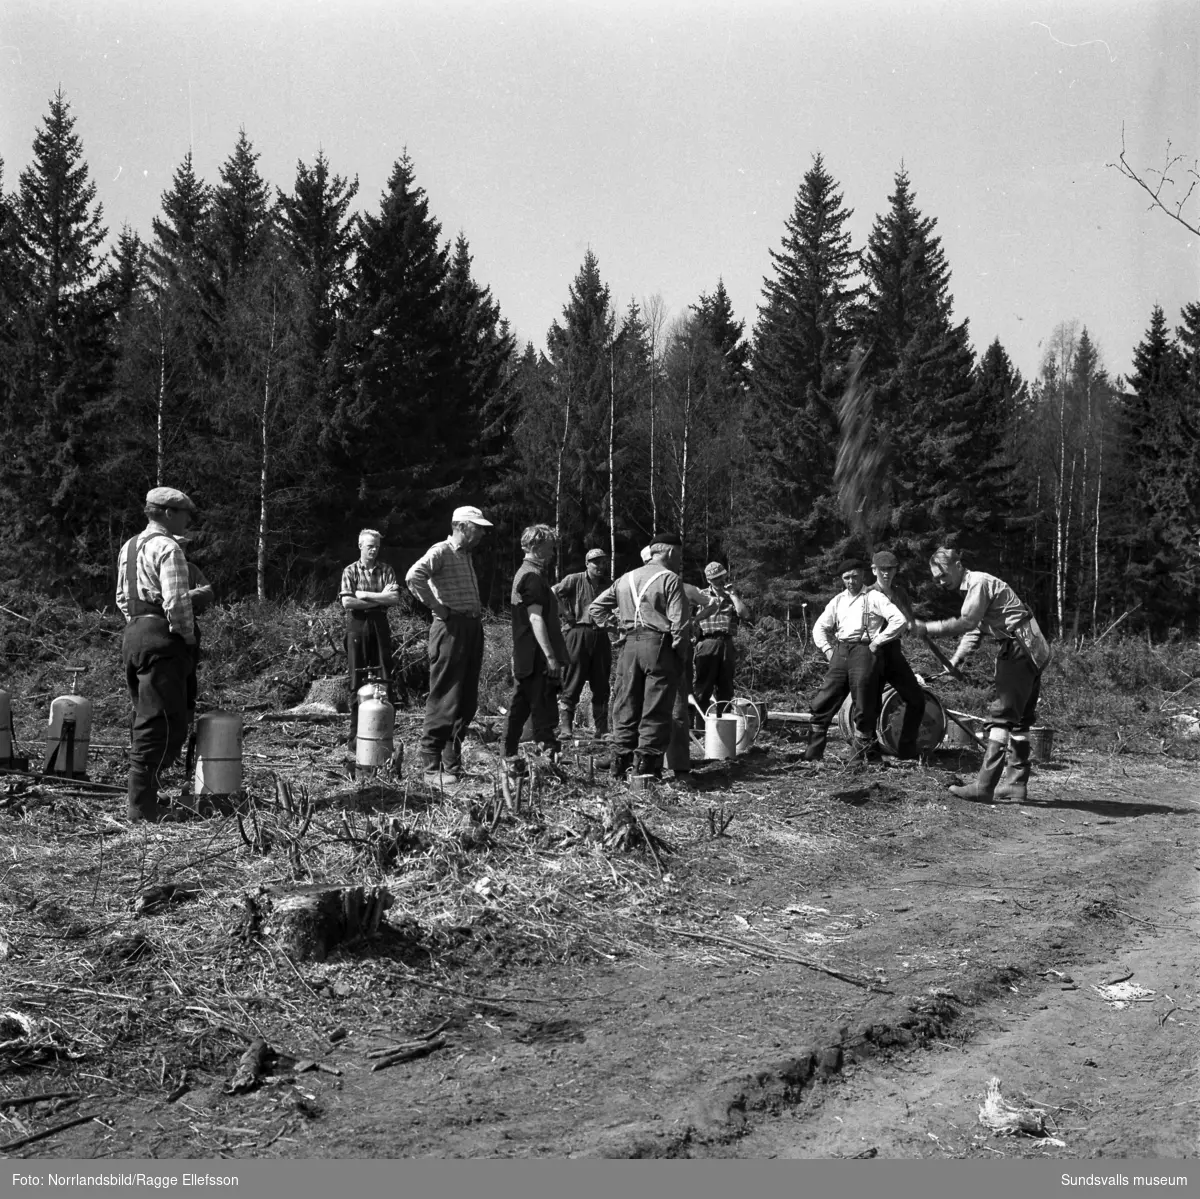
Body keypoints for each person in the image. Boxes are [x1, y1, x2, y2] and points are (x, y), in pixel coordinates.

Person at [914, 547, 1051, 801]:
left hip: (1018, 647)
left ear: (957, 564)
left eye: (943, 575)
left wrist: (928, 627)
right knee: (1020, 720)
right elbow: (974, 630)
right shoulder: (978, 588)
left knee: (1000, 717)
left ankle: (984, 786)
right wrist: (955, 661)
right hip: (1034, 648)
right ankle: (1015, 784)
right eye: (936, 579)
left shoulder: (978, 583)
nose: (941, 582)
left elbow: (966, 621)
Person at [116, 486, 198, 823]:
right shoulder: (168, 547)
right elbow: (177, 602)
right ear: (166, 513)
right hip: (161, 638)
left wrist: (139, 627)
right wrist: (187, 638)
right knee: (164, 721)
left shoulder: (129, 547)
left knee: (144, 716)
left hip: (134, 634)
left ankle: (144, 798)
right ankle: (142, 807)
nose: (188, 519)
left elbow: (122, 598)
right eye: (184, 513)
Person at [406, 505, 492, 788]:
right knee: (445, 693)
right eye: (477, 527)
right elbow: (413, 576)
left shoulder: (465, 555)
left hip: (469, 627)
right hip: (450, 628)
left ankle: (452, 762)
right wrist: (439, 609)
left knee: (466, 698)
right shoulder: (441, 550)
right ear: (461, 526)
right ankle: (431, 767)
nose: (481, 533)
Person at [589, 534, 687, 781]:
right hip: (658, 646)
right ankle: (646, 767)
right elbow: (680, 625)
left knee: (626, 703)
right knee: (656, 706)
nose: (680, 560)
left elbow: (595, 608)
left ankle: (619, 762)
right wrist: (680, 655)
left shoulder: (625, 578)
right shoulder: (670, 579)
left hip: (629, 646)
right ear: (671, 553)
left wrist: (616, 627)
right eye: (679, 555)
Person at [806, 559, 907, 763]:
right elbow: (820, 627)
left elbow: (899, 620)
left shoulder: (874, 597)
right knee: (824, 700)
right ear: (842, 580)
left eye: (854, 576)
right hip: (841, 651)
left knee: (864, 703)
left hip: (865, 651)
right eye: (846, 578)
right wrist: (827, 649)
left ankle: (858, 759)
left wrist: (878, 641)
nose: (850, 581)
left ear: (862, 575)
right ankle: (812, 755)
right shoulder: (838, 600)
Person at [504, 525, 570, 777]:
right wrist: (550, 657)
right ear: (537, 546)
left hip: (527, 655)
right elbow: (535, 619)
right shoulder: (531, 577)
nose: (553, 552)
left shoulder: (529, 574)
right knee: (543, 712)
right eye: (550, 547)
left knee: (520, 708)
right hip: (535, 657)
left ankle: (509, 757)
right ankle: (549, 765)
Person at [340, 529, 401, 750]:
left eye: (376, 546)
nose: (374, 550)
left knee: (384, 676)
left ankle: (384, 734)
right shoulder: (350, 571)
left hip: (380, 624)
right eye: (369, 546)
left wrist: (364, 595)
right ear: (360, 546)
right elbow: (347, 603)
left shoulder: (386, 570)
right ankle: (355, 736)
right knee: (357, 679)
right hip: (357, 625)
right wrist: (379, 599)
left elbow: (394, 598)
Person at [868, 549, 927, 759]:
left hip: (893, 652)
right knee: (870, 704)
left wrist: (916, 626)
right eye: (882, 569)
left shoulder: (900, 593)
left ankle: (906, 748)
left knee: (916, 699)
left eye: (890, 569)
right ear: (874, 570)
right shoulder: (867, 594)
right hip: (872, 653)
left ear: (895, 570)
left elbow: (907, 621)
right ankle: (869, 751)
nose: (886, 574)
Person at [552, 547, 612, 740]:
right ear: (587, 564)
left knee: (601, 683)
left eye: (603, 562)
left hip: (601, 634)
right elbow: (552, 592)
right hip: (578, 631)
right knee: (572, 680)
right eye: (596, 562)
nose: (600, 566)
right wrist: (566, 613)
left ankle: (602, 729)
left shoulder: (608, 584)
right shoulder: (575, 579)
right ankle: (566, 728)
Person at [692, 561, 752, 719]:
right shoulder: (700, 595)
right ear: (709, 580)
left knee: (726, 688)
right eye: (715, 579)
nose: (719, 581)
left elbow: (744, 615)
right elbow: (690, 619)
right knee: (703, 687)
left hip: (726, 643)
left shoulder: (732, 597)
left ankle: (724, 726)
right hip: (706, 642)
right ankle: (701, 727)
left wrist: (733, 595)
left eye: (721, 577)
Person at [176, 535, 215, 731]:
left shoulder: (190, 569)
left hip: (189, 627)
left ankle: (187, 723)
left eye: (183, 546)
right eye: (178, 546)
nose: (181, 550)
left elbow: (207, 590)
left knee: (189, 674)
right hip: (161, 628)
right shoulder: (155, 568)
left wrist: (185, 596)